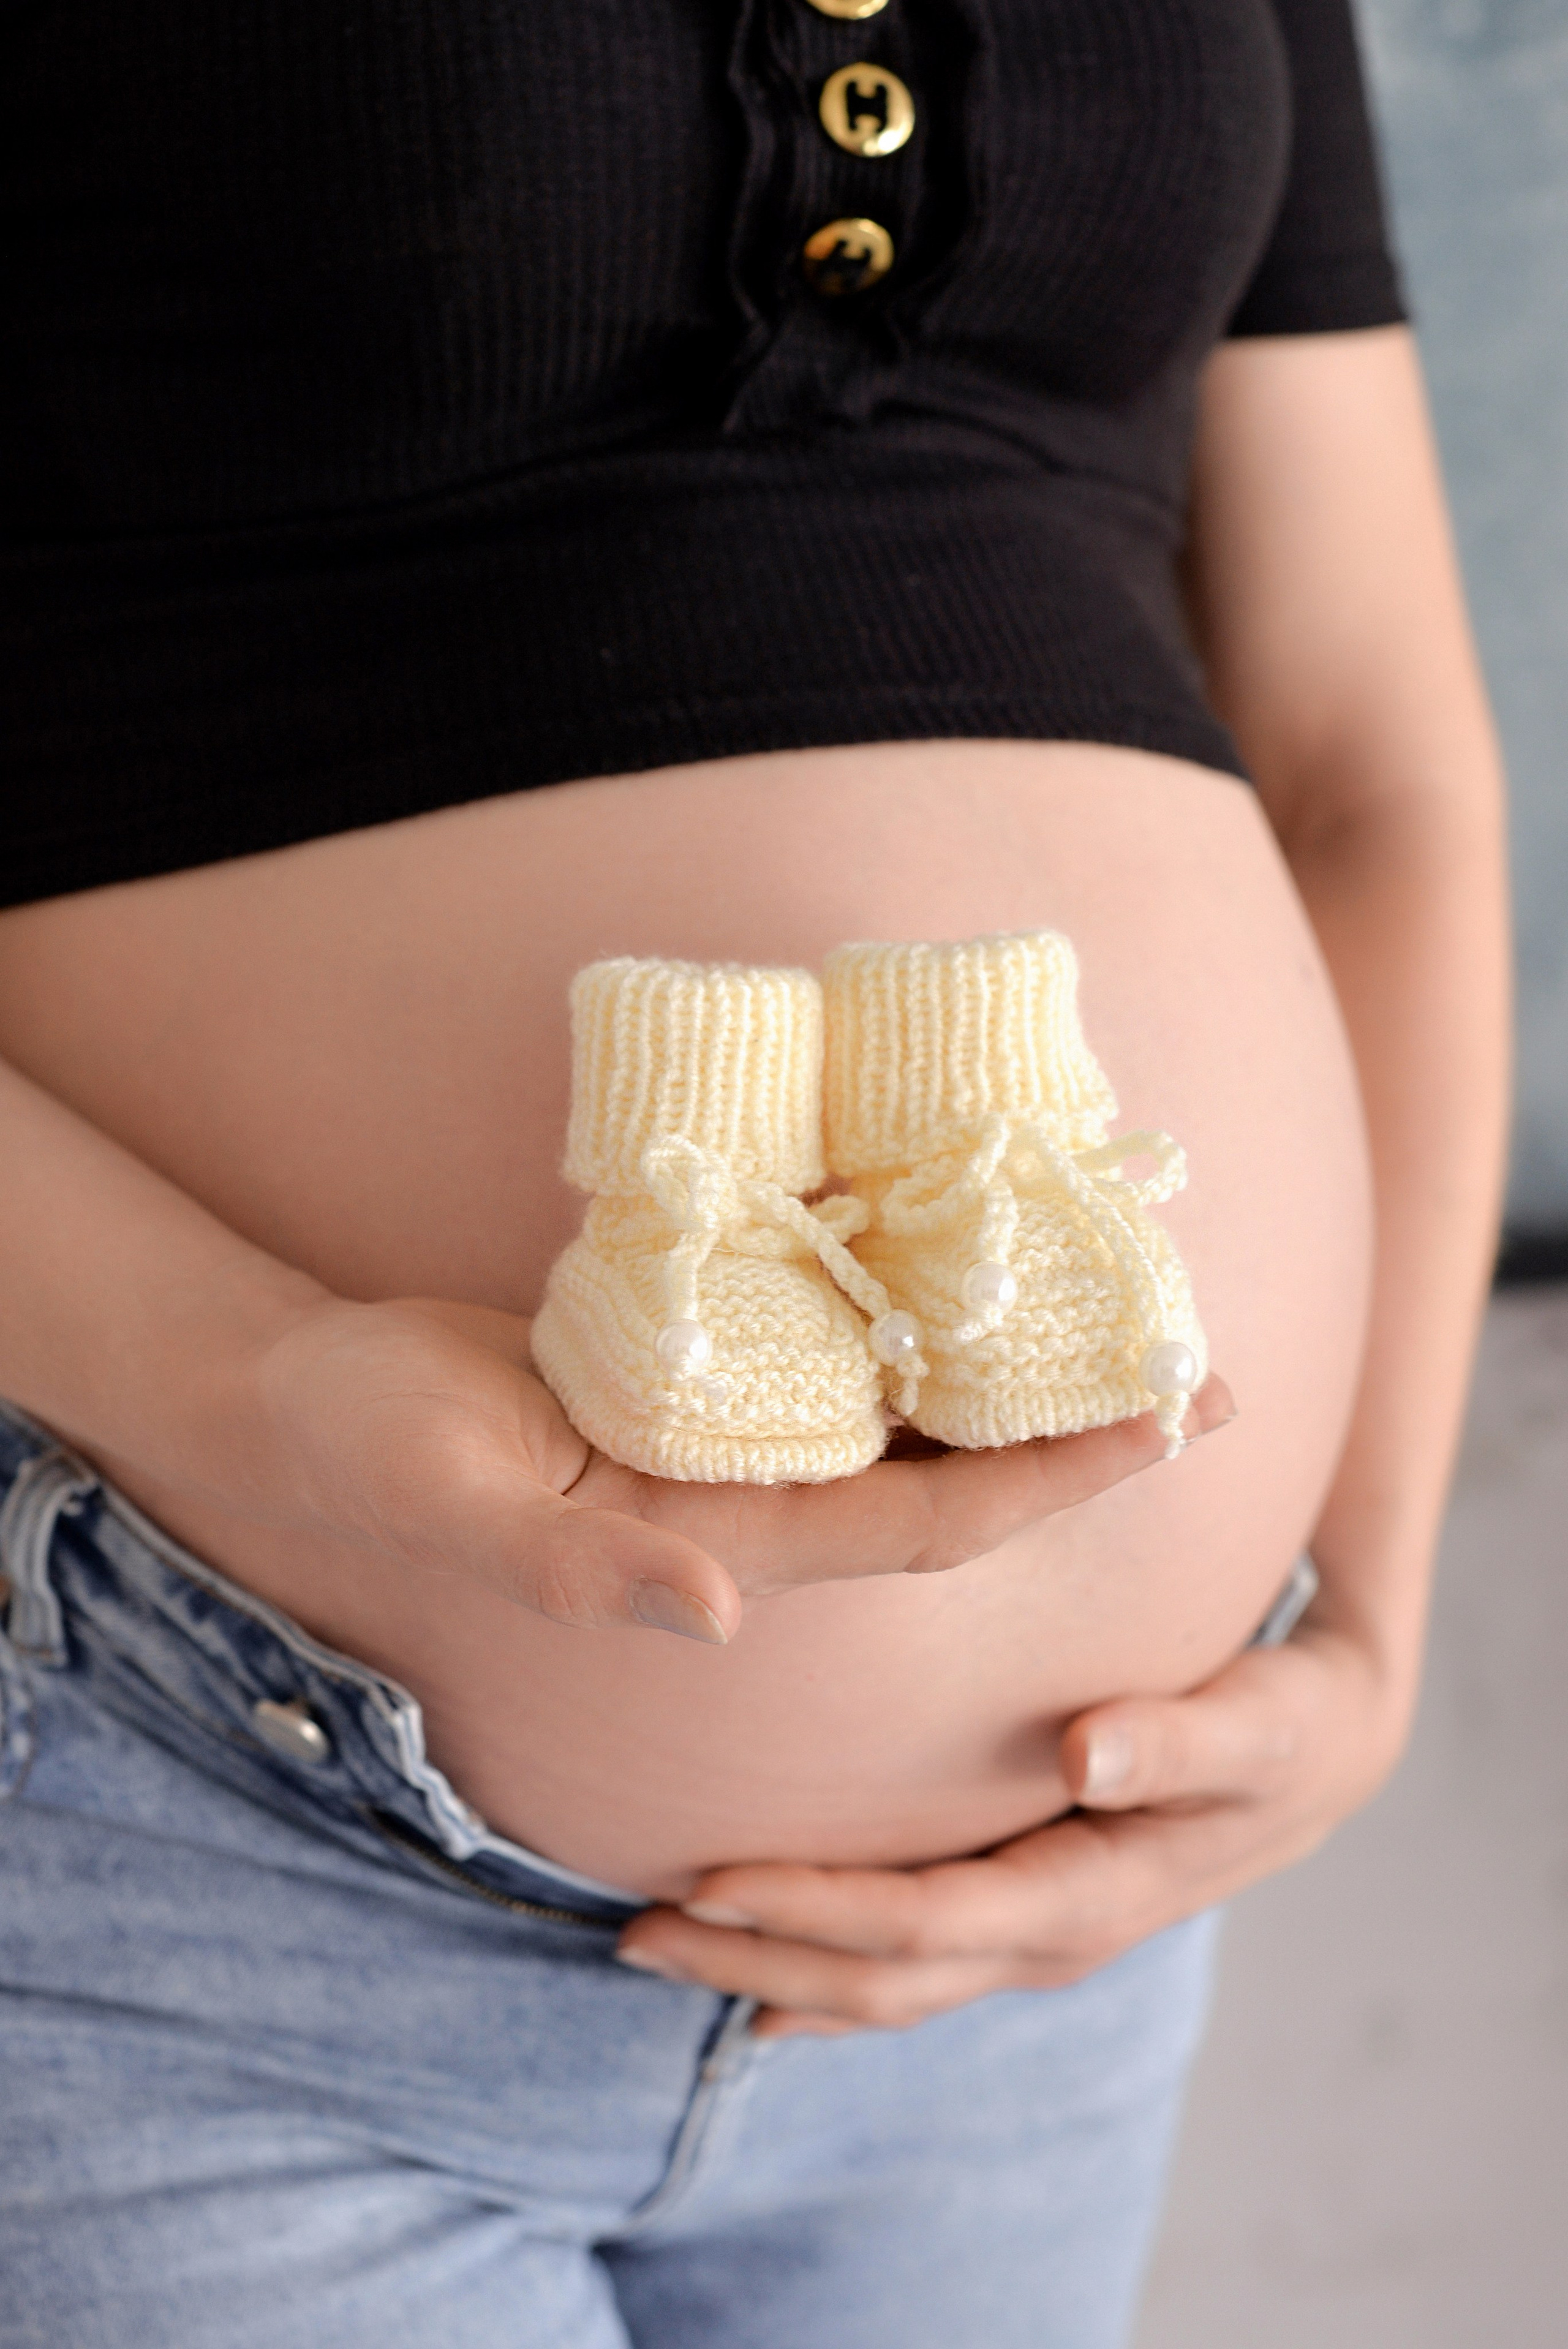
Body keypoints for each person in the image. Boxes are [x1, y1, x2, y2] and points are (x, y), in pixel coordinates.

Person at [0, 1, 1509, 2344]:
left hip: (1031, 1973)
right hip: (192, 1872)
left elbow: (1371, 762)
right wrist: (260, 1385)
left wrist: (1372, 1622)